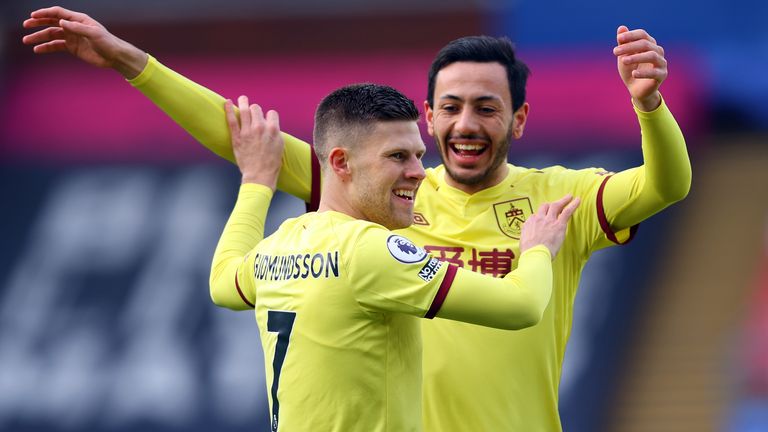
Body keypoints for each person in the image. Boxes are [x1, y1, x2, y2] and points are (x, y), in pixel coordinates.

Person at [23, 6, 692, 431]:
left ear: (518, 118)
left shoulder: (557, 198)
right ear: (428, 117)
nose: (466, 122)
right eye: (451, 106)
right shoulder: (384, 197)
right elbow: (243, 136)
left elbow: (668, 184)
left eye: (487, 107)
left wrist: (651, 106)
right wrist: (134, 64)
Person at [211, 83, 578, 432]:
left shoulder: (280, 244)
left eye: (418, 155)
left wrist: (257, 181)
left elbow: (222, 282)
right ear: (341, 163)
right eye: (397, 156)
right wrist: (538, 249)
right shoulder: (368, 250)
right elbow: (522, 306)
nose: (419, 173)